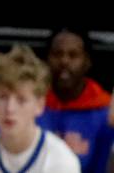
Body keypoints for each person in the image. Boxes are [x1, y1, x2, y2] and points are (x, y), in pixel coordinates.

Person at [0, 44, 81, 173]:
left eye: (21, 100)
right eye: (2, 97)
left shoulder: (61, 161)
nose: (9, 109)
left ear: (39, 105)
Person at [39, 28, 114, 173]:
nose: (64, 61)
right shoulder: (31, 107)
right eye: (57, 54)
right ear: (46, 59)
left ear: (87, 61)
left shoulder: (106, 113)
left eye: (73, 55)